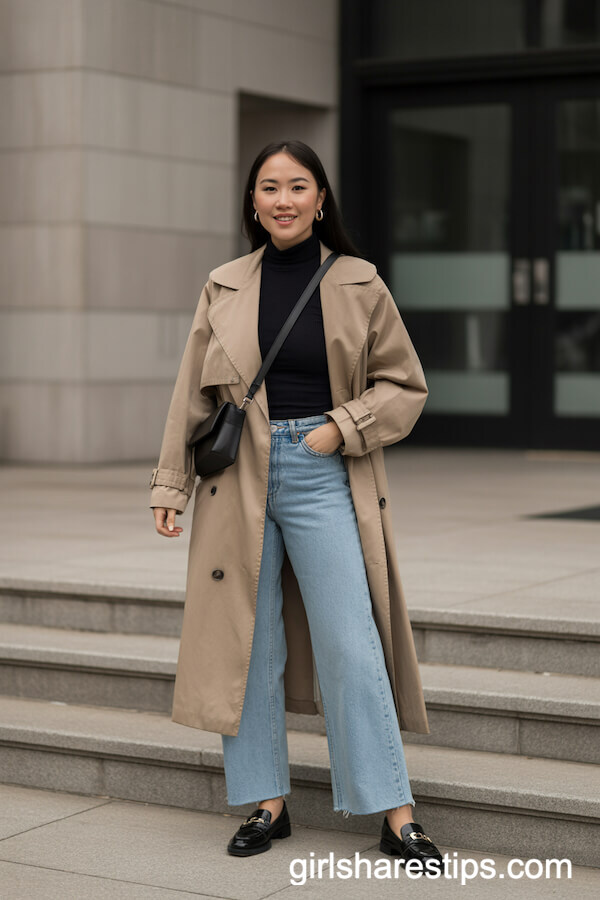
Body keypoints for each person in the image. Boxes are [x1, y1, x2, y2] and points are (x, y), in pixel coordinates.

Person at [150, 140, 444, 873]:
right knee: (249, 648)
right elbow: (191, 392)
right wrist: (168, 484)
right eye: (270, 187)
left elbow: (404, 385)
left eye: (298, 186)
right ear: (253, 202)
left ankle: (395, 815)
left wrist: (337, 430)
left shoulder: (359, 282)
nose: (284, 200)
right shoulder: (223, 285)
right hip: (233, 480)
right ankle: (266, 804)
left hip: (322, 472)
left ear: (320, 200)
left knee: (352, 640)